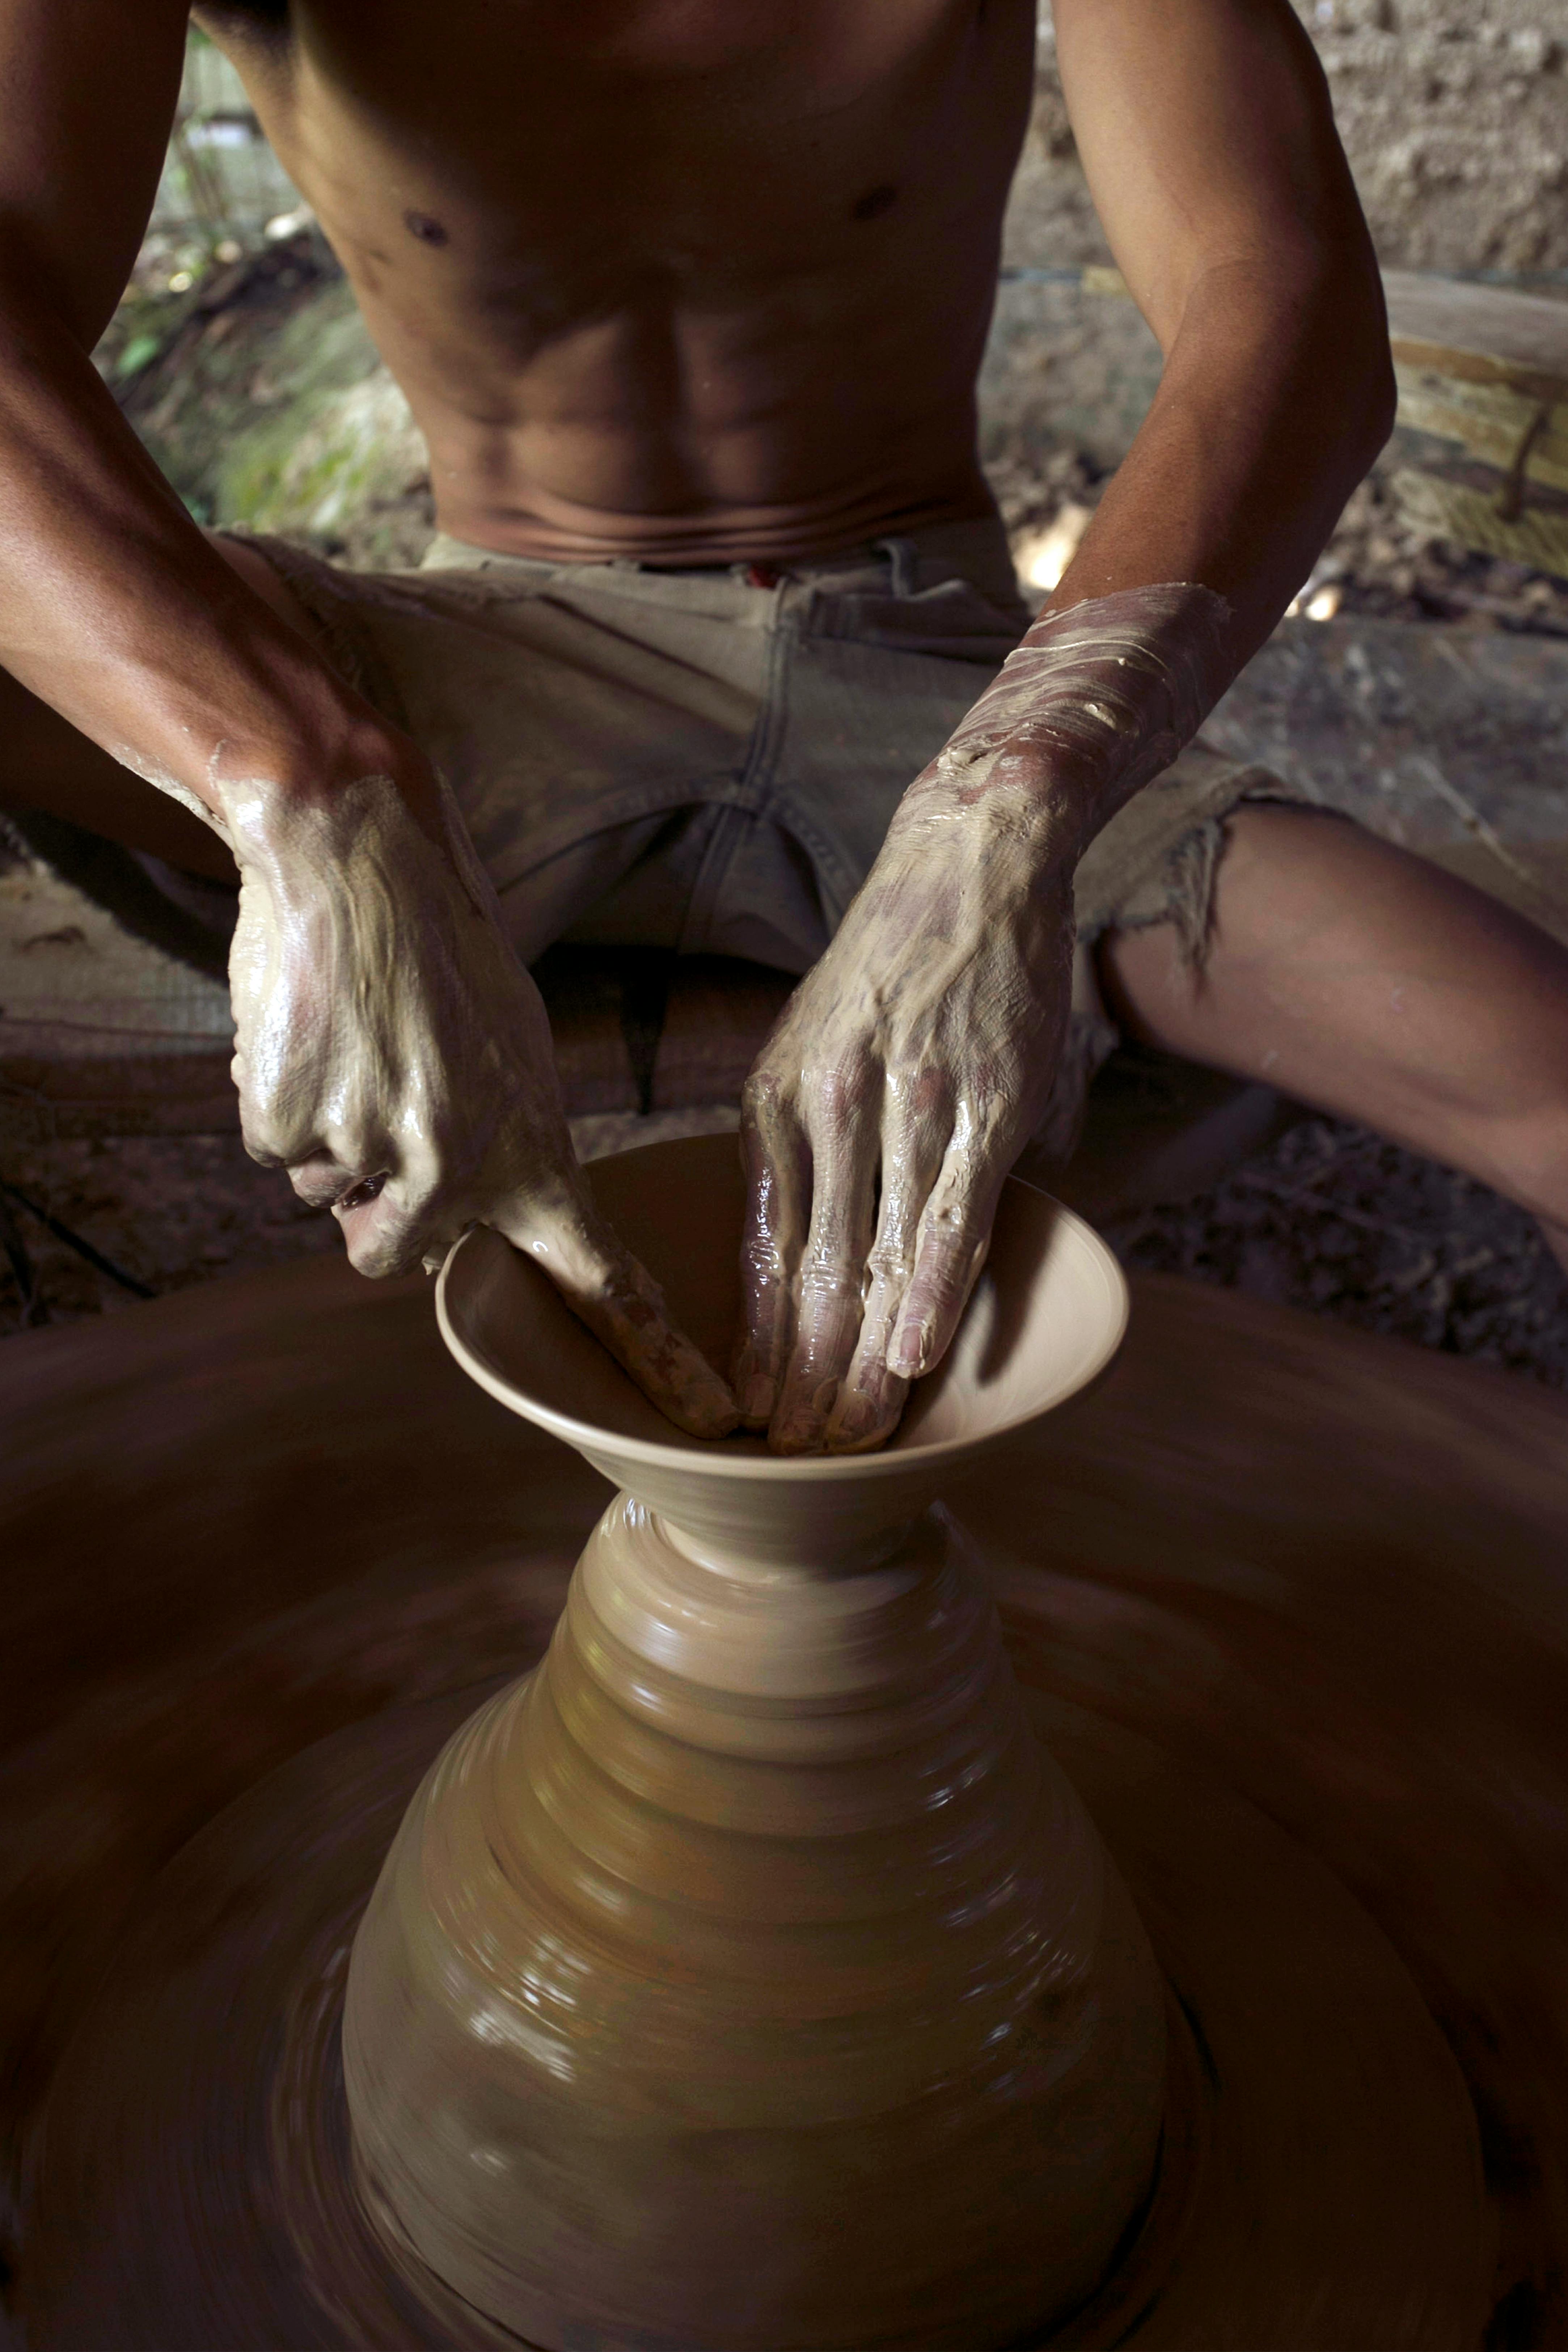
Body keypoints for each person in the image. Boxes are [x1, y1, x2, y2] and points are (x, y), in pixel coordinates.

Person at [2, 0, 1567, 1451]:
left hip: (939, 677)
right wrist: (304, 786)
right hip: (469, 667)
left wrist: (1011, 795)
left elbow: (1279, 293)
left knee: (1546, 1088)